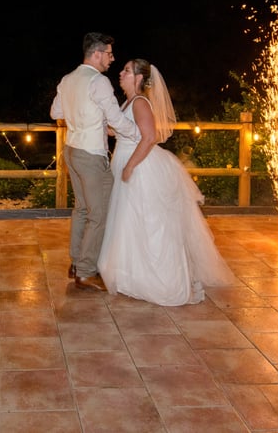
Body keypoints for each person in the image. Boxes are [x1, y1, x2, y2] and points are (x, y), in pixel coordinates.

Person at [97, 59, 238, 305]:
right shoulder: (128, 102)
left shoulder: (140, 102)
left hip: (140, 168)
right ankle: (132, 276)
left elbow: (149, 137)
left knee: (149, 223)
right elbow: (123, 130)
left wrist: (130, 166)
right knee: (129, 222)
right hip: (126, 161)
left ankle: (160, 280)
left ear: (139, 78)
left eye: (127, 70)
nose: (121, 73)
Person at [50, 32, 138, 291]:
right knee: (99, 214)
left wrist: (82, 114)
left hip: (71, 150)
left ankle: (76, 263)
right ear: (97, 54)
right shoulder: (99, 82)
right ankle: (87, 271)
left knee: (82, 209)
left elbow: (56, 112)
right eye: (109, 54)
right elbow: (115, 118)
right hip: (90, 153)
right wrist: (138, 134)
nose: (112, 58)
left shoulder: (68, 79)